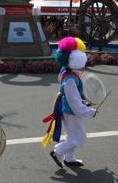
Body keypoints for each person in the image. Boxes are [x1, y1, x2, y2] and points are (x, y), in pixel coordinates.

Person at [42, 36, 96, 168]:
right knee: (79, 137)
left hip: (66, 108)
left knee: (71, 135)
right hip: (71, 112)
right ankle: (58, 151)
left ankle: (69, 158)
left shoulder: (65, 71)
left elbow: (75, 99)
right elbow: (76, 105)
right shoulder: (71, 80)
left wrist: (84, 103)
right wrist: (90, 112)